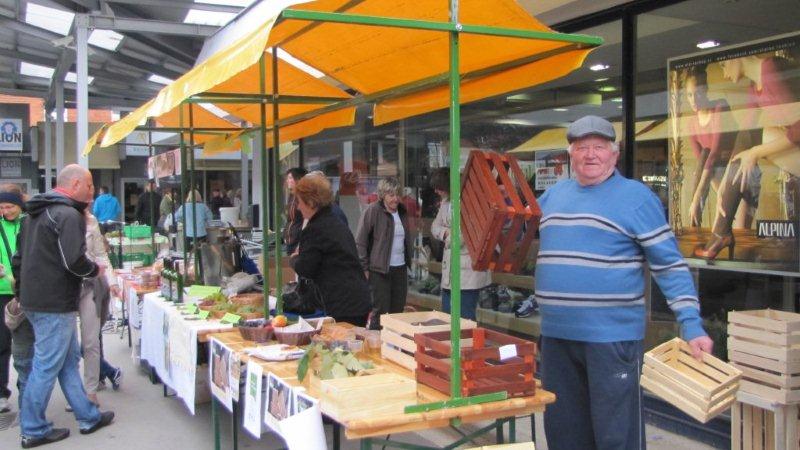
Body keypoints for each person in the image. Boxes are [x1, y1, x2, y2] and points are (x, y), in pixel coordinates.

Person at [535, 116, 712, 450]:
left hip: (611, 340)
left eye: (599, 147)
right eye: (582, 147)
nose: (590, 154)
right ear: (570, 154)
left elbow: (669, 265)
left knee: (617, 437)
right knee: (563, 434)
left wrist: (691, 324)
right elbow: (516, 233)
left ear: (614, 154)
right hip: (556, 337)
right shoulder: (553, 196)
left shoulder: (636, 198)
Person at [12, 164, 114, 448]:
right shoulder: (68, 215)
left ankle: (88, 416)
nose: (92, 192)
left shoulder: (33, 215)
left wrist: (22, 293)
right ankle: (33, 428)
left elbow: (19, 260)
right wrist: (95, 270)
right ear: (76, 184)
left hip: (37, 299)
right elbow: (74, 260)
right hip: (54, 302)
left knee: (67, 362)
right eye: (90, 185)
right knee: (46, 365)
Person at [695, 55, 799, 259]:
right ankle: (721, 233)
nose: (725, 73)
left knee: (752, 140)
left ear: (740, 57)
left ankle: (720, 234)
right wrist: (725, 182)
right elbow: (745, 132)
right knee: (746, 138)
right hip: (794, 148)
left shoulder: (770, 69)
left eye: (724, 64)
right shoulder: (754, 86)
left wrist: (756, 152)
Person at [289, 174, 371, 325]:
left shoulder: (315, 229)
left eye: (299, 202)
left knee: (342, 340)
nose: (298, 207)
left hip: (343, 302)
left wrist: (294, 258)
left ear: (311, 203)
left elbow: (305, 268)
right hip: (357, 298)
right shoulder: (335, 221)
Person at [683, 66, 748, 228]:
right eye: (689, 95)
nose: (693, 99)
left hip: (737, 169)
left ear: (705, 90)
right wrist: (718, 191)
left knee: (738, 229)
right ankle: (695, 222)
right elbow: (703, 164)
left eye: (698, 93)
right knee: (720, 230)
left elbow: (715, 151)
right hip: (715, 175)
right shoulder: (691, 124)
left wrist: (697, 197)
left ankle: (695, 215)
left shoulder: (720, 106)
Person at [429, 168, 491, 321]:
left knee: (465, 319)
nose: (436, 191)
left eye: (439, 188)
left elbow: (461, 238)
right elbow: (434, 227)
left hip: (467, 272)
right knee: (446, 317)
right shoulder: (446, 203)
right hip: (449, 270)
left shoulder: (471, 202)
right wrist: (446, 232)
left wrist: (447, 234)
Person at [79, 204, 123, 406]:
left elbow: (100, 254)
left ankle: (92, 389)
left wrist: (112, 282)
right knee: (71, 346)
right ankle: (78, 389)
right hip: (64, 287)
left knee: (91, 340)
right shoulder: (57, 218)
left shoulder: (91, 221)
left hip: (91, 283)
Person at [356, 177, 413, 329]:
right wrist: (365, 268)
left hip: (400, 268)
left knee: (397, 311)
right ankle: (376, 341)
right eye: (391, 195)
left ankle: (393, 342)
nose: (395, 199)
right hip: (379, 271)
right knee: (380, 311)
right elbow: (360, 242)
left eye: (397, 194)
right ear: (382, 195)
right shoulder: (372, 211)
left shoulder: (402, 212)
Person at [0, 186, 25, 413]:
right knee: (2, 343)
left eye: (10, 206)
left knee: (26, 343)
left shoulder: (28, 223)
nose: (5, 211)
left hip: (26, 291)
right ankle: (1, 393)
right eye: (2, 207)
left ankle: (25, 387)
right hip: (3, 291)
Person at [283, 167, 308, 254]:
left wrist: (301, 240)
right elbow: (290, 219)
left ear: (298, 179)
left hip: (298, 240)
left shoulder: (303, 196)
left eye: (290, 178)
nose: (287, 181)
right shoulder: (291, 196)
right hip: (290, 240)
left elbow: (307, 219)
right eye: (287, 178)